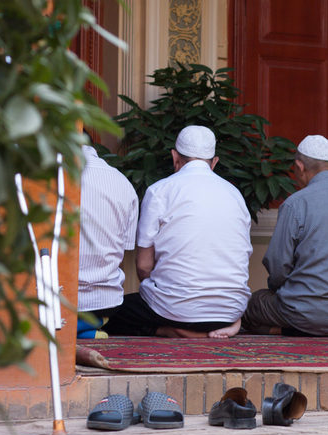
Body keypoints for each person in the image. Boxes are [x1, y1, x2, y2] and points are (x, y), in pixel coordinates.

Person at [213, 134, 328, 338]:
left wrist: (279, 290)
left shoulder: (296, 203)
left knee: (250, 305)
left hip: (306, 311)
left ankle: (294, 330)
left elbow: (277, 265)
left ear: (299, 167)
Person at [104, 125, 253, 338]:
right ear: (214, 162)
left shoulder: (159, 191)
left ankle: (175, 331)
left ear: (175, 157)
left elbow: (144, 267)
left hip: (175, 310)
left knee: (115, 313)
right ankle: (225, 327)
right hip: (230, 310)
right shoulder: (236, 195)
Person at [77, 136, 139, 339]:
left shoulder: (49, 178)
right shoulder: (123, 183)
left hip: (59, 300)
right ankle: (88, 327)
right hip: (106, 303)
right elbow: (125, 247)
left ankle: (77, 329)